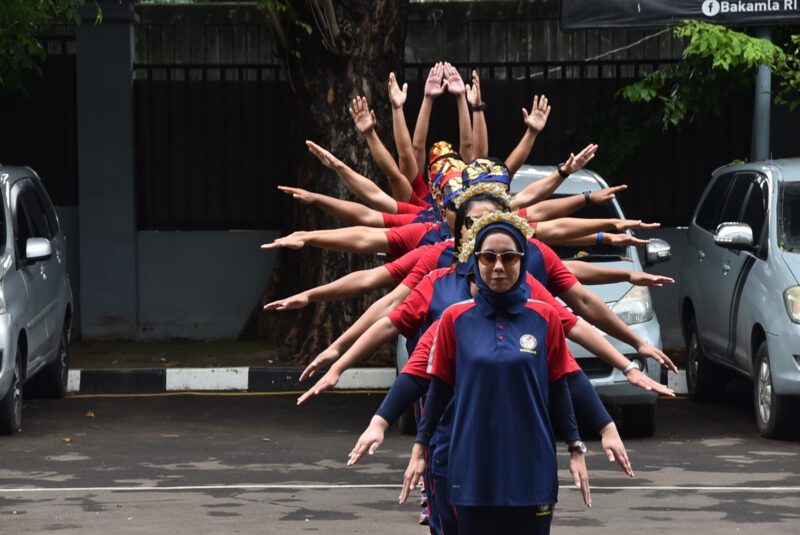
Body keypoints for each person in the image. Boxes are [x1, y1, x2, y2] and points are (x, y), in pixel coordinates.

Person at [400, 217, 593, 534]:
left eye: (509, 257)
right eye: (488, 257)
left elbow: (561, 386)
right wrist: (419, 447)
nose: (498, 266)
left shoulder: (544, 316)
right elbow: (437, 390)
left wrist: (576, 446)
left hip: (532, 471)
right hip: (473, 471)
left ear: (523, 260)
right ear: (474, 262)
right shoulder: (454, 318)